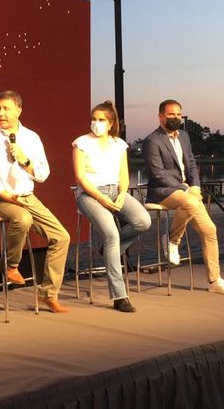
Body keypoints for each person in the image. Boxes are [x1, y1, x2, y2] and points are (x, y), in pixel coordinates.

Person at [0, 90, 71, 313]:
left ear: (18, 110)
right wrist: (7, 196)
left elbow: (43, 174)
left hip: (26, 196)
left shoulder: (31, 138)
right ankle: (10, 264)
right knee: (23, 219)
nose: (1, 113)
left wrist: (25, 160)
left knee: (62, 237)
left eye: (6, 108)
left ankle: (48, 294)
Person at [142, 99, 224, 295]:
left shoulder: (184, 136)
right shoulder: (152, 140)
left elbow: (192, 164)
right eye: (171, 114)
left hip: (187, 192)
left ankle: (215, 281)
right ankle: (173, 241)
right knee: (190, 202)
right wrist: (184, 188)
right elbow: (158, 174)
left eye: (178, 114)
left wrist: (195, 186)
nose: (176, 118)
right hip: (163, 191)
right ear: (160, 116)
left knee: (210, 230)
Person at [72, 101, 151, 312]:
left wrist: (122, 194)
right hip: (89, 194)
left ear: (111, 123)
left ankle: (108, 250)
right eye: (93, 119)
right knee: (112, 236)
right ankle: (119, 296)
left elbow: (124, 175)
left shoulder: (119, 145)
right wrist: (100, 198)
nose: (96, 123)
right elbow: (80, 177)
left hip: (115, 190)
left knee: (143, 221)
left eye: (101, 120)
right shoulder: (81, 143)